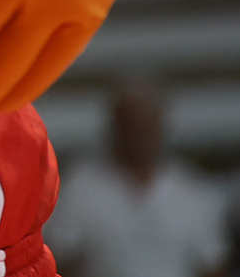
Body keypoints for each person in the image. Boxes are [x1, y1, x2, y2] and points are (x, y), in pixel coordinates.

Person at [52, 85, 229, 277]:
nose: (139, 136)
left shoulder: (193, 190)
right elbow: (60, 256)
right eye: (131, 126)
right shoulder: (79, 187)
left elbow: (213, 264)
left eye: (146, 127)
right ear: (114, 127)